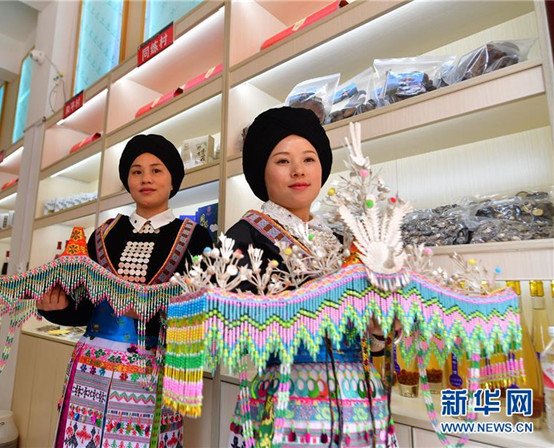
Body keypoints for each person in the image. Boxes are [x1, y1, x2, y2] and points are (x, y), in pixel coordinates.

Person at [225, 107, 399, 447]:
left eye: (309, 159)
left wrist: (379, 329)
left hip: (360, 402)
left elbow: (370, 334)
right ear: (262, 170)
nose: (298, 171)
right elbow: (236, 333)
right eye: (282, 161)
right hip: (288, 404)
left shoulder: (342, 240)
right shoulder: (243, 238)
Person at [37, 134, 213, 448]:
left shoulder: (196, 237)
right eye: (136, 171)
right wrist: (57, 307)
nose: (146, 178)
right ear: (127, 181)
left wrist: (150, 311)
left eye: (156, 170)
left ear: (173, 180)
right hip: (92, 366)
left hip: (154, 370)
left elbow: (202, 311)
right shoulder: (103, 234)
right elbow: (83, 306)